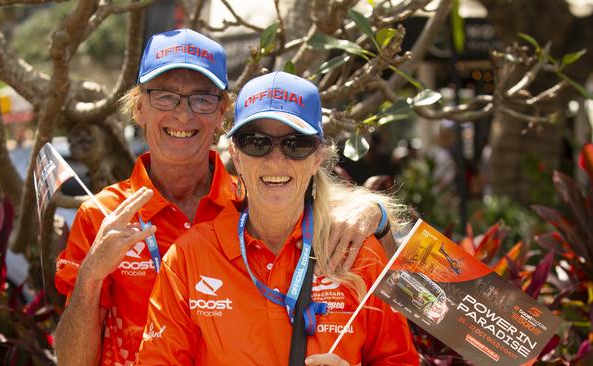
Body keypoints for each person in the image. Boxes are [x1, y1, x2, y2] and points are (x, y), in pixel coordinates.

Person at [54, 30, 390, 365]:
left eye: (201, 98)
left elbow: (413, 298)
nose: (183, 115)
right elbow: (71, 362)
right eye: (165, 96)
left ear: (221, 113)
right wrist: (90, 277)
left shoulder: (253, 199)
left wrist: (376, 213)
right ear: (140, 106)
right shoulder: (102, 216)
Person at [136, 72, 418, 365]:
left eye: (295, 144)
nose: (275, 160)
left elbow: (400, 359)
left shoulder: (357, 252)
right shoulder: (189, 256)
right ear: (237, 154)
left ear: (317, 157)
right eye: (257, 142)